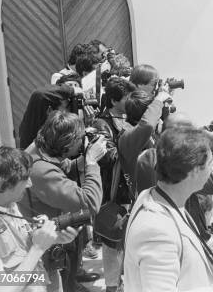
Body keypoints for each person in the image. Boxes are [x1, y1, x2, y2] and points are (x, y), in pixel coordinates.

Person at [123, 128, 213, 292]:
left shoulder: (160, 198)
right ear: (193, 171)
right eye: (209, 164)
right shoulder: (156, 230)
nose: (211, 171)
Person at [19, 111, 107, 292]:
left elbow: (66, 167)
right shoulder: (41, 171)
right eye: (80, 139)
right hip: (40, 257)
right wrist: (91, 163)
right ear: (67, 143)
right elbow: (90, 204)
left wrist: (87, 155)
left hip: (49, 240)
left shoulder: (41, 150)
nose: (82, 141)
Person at [0, 146, 79, 292]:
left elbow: (20, 247)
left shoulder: (8, 204)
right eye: (24, 179)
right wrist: (38, 248)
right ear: (2, 184)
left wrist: (51, 239)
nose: (29, 184)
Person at [90, 77, 135, 292]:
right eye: (128, 97)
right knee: (112, 241)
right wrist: (129, 137)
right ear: (115, 100)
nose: (131, 101)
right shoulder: (101, 123)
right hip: (112, 192)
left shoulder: (128, 118)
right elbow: (108, 156)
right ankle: (111, 286)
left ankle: (125, 280)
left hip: (129, 190)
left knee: (128, 238)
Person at [19, 85, 82, 150]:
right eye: (66, 106)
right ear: (50, 110)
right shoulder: (47, 135)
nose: (67, 112)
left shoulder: (33, 126)